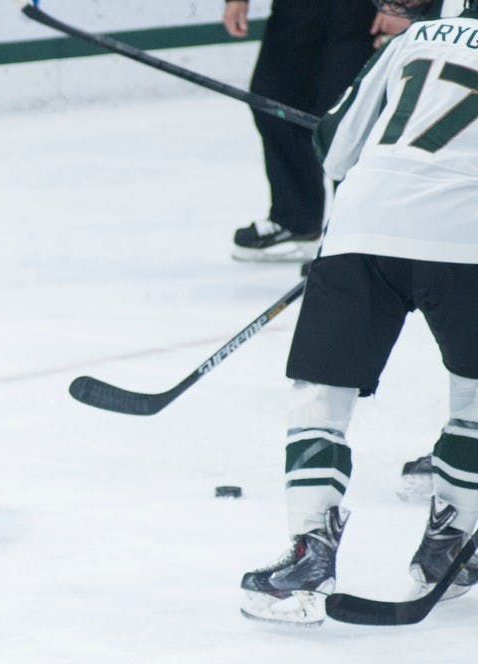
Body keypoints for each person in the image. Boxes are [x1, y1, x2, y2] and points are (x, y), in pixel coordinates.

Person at [238, 0, 478, 626]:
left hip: (368, 219)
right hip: (469, 237)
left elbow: (334, 143)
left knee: (323, 392)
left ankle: (309, 550)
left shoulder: (419, 36)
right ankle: (449, 540)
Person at [222, 0, 383, 262]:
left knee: (348, 117)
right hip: (297, 8)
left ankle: (353, 237)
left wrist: (396, 7)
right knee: (274, 99)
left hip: (362, 10)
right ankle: (296, 219)